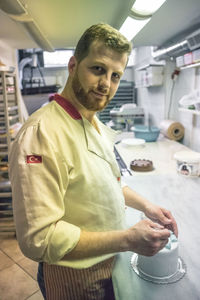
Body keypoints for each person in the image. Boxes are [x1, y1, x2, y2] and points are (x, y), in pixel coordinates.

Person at [9, 23, 178, 300]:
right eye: (98, 69)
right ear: (73, 65)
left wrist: (148, 206)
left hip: (109, 260)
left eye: (115, 76)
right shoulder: (42, 134)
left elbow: (106, 183)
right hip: (74, 274)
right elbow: (40, 240)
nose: (106, 85)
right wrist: (128, 239)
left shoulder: (91, 120)